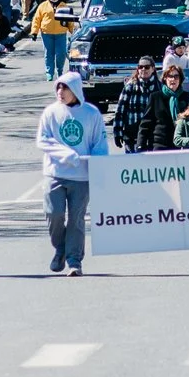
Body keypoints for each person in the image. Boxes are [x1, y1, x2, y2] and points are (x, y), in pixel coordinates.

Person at [36, 72, 109, 276]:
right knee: (54, 214)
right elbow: (43, 140)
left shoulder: (91, 113)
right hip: (55, 173)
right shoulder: (50, 113)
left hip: (81, 177)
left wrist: (97, 163)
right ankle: (60, 248)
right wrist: (66, 154)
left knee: (76, 219)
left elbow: (100, 143)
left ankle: (74, 261)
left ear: (75, 90)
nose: (60, 92)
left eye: (65, 88)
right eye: (58, 88)